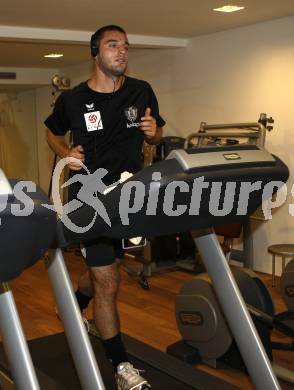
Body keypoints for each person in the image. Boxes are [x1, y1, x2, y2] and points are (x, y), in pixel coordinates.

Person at [45, 25, 165, 390]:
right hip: (90, 198)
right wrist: (66, 153)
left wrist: (152, 132)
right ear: (95, 52)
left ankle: (76, 305)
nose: (122, 51)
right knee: (108, 281)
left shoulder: (141, 90)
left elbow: (157, 132)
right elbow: (52, 132)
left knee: (105, 273)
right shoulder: (73, 100)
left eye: (126, 46)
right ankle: (121, 367)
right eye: (113, 45)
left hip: (130, 198)